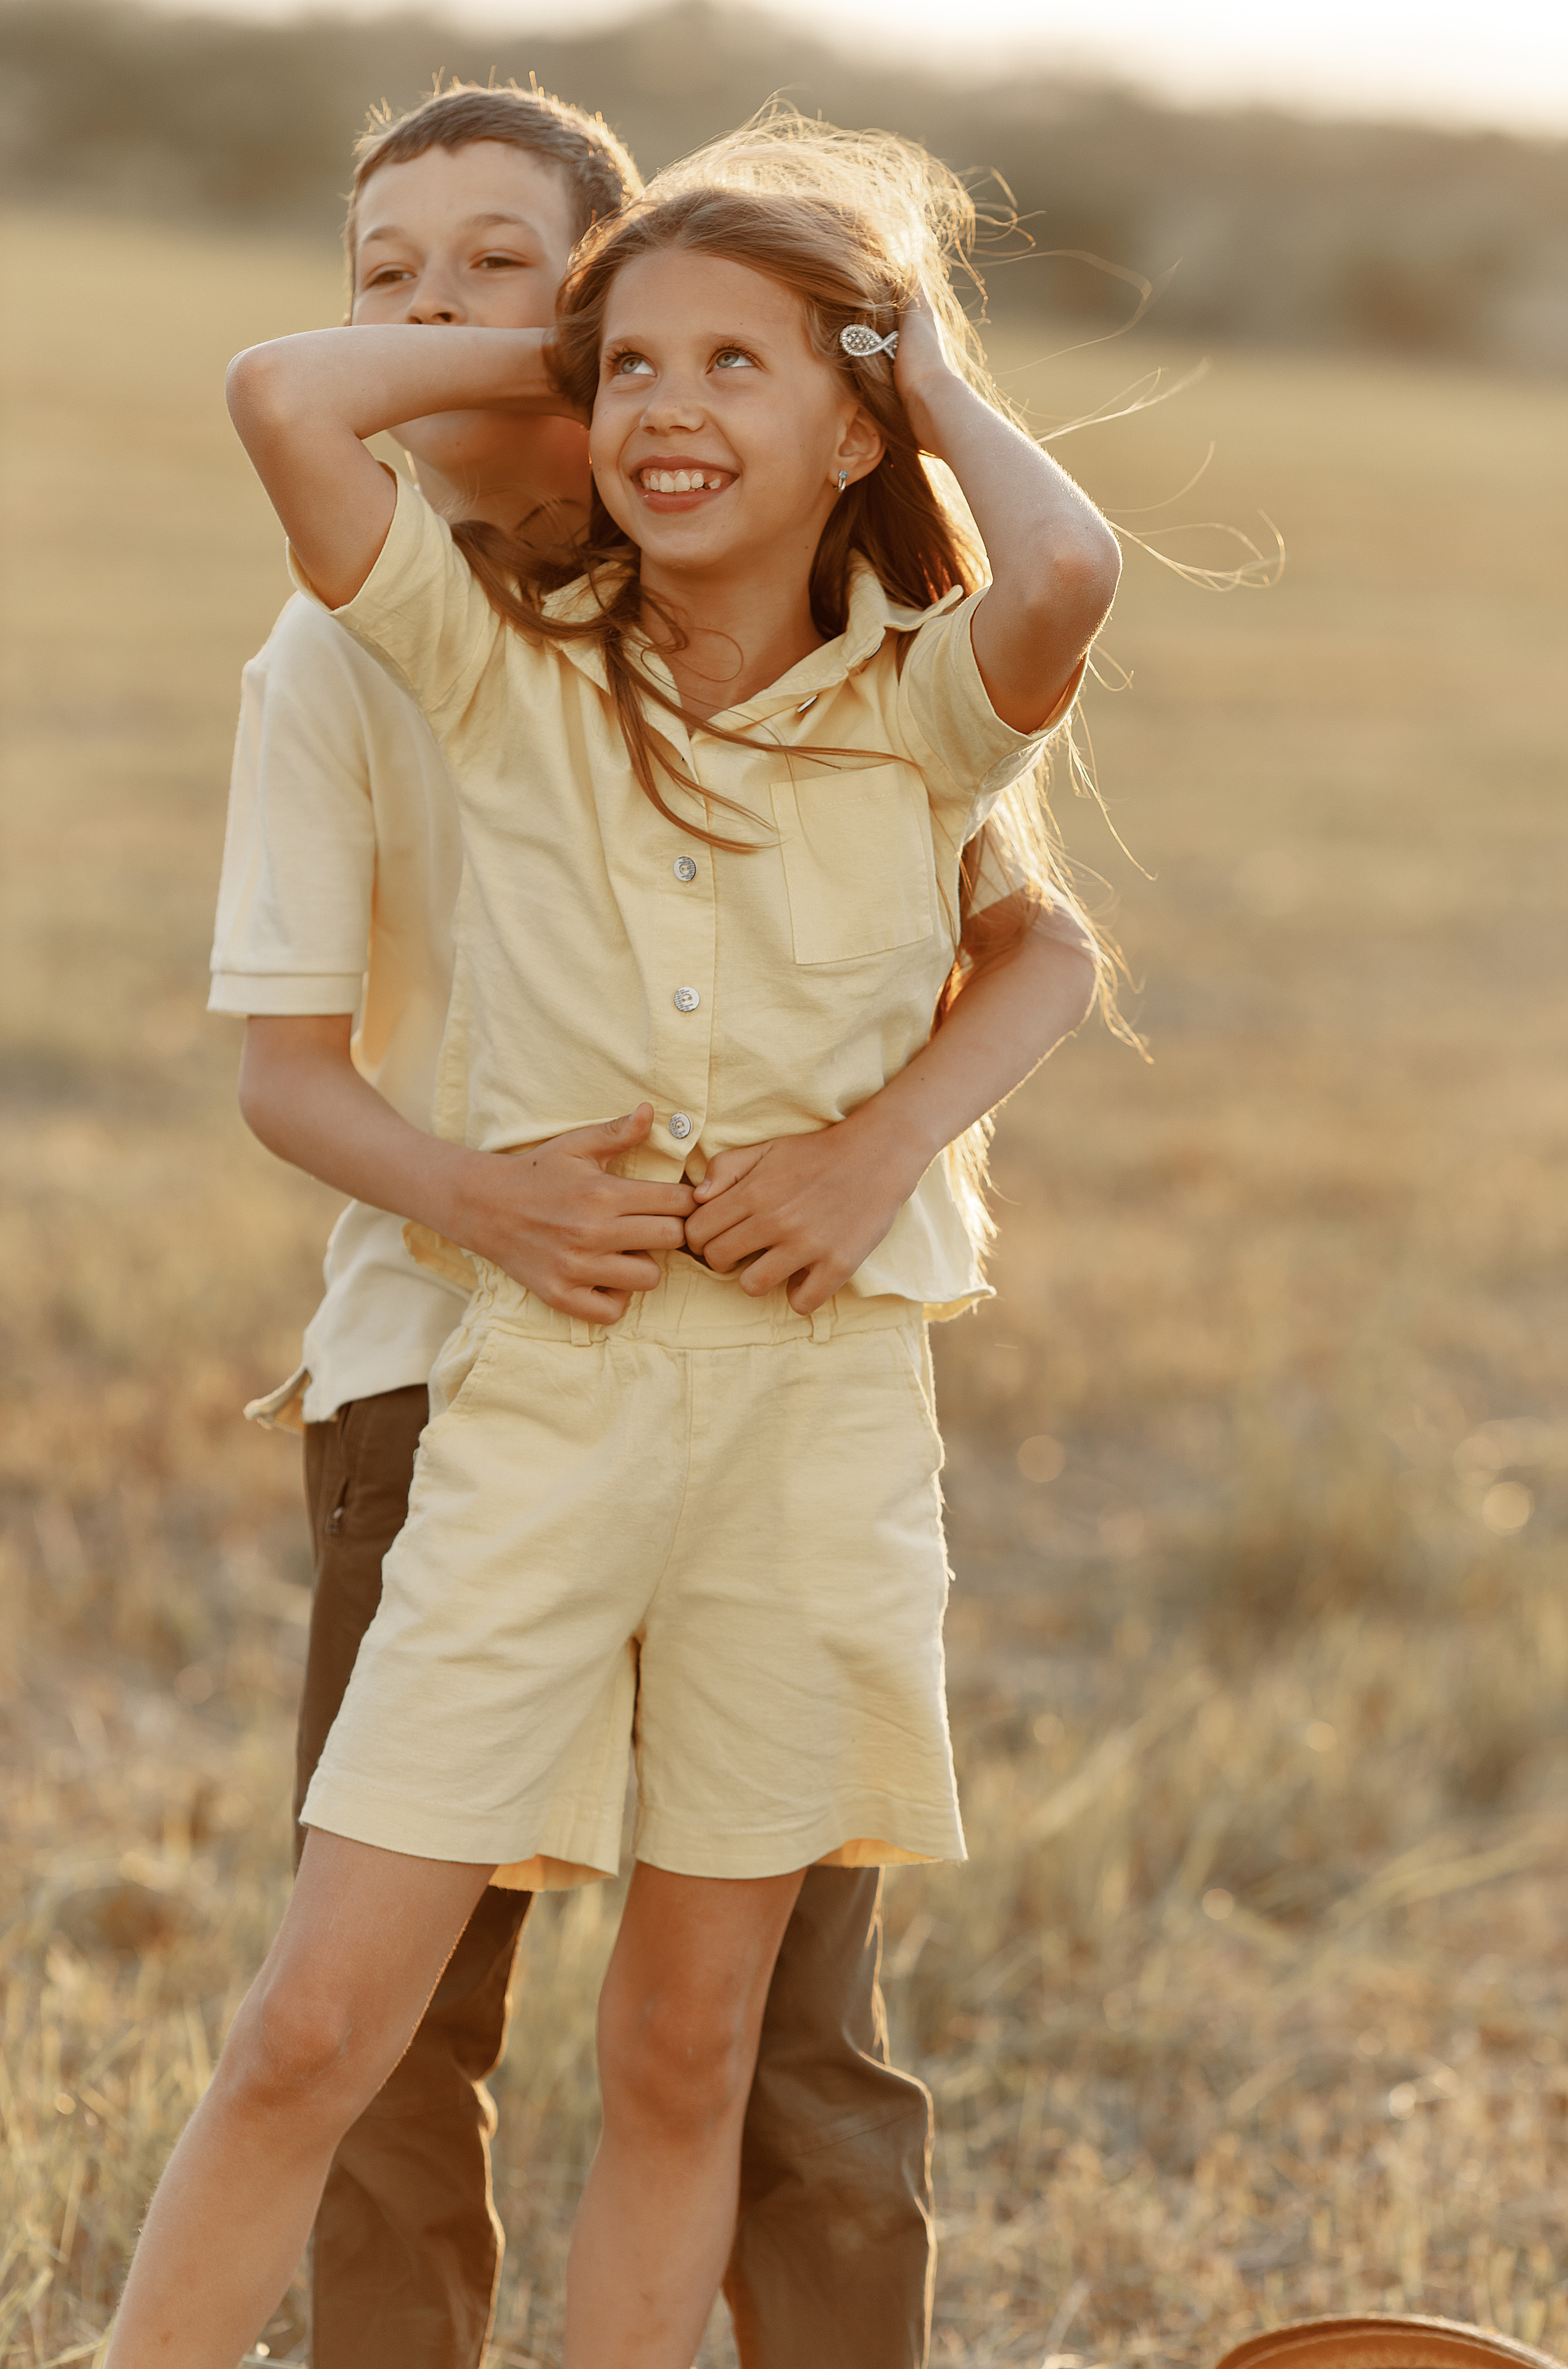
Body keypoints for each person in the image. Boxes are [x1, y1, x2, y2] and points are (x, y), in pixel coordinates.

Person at [113, 107, 1117, 2369]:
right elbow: (285, 397)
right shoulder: (481, 661)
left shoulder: (914, 705)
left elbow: (1064, 605)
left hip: (818, 1410)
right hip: (516, 1392)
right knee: (326, 2034)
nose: (662, 406)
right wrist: (573, 351)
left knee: (704, 2059)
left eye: (721, 367)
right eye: (624, 364)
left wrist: (910, 355)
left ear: (849, 413)